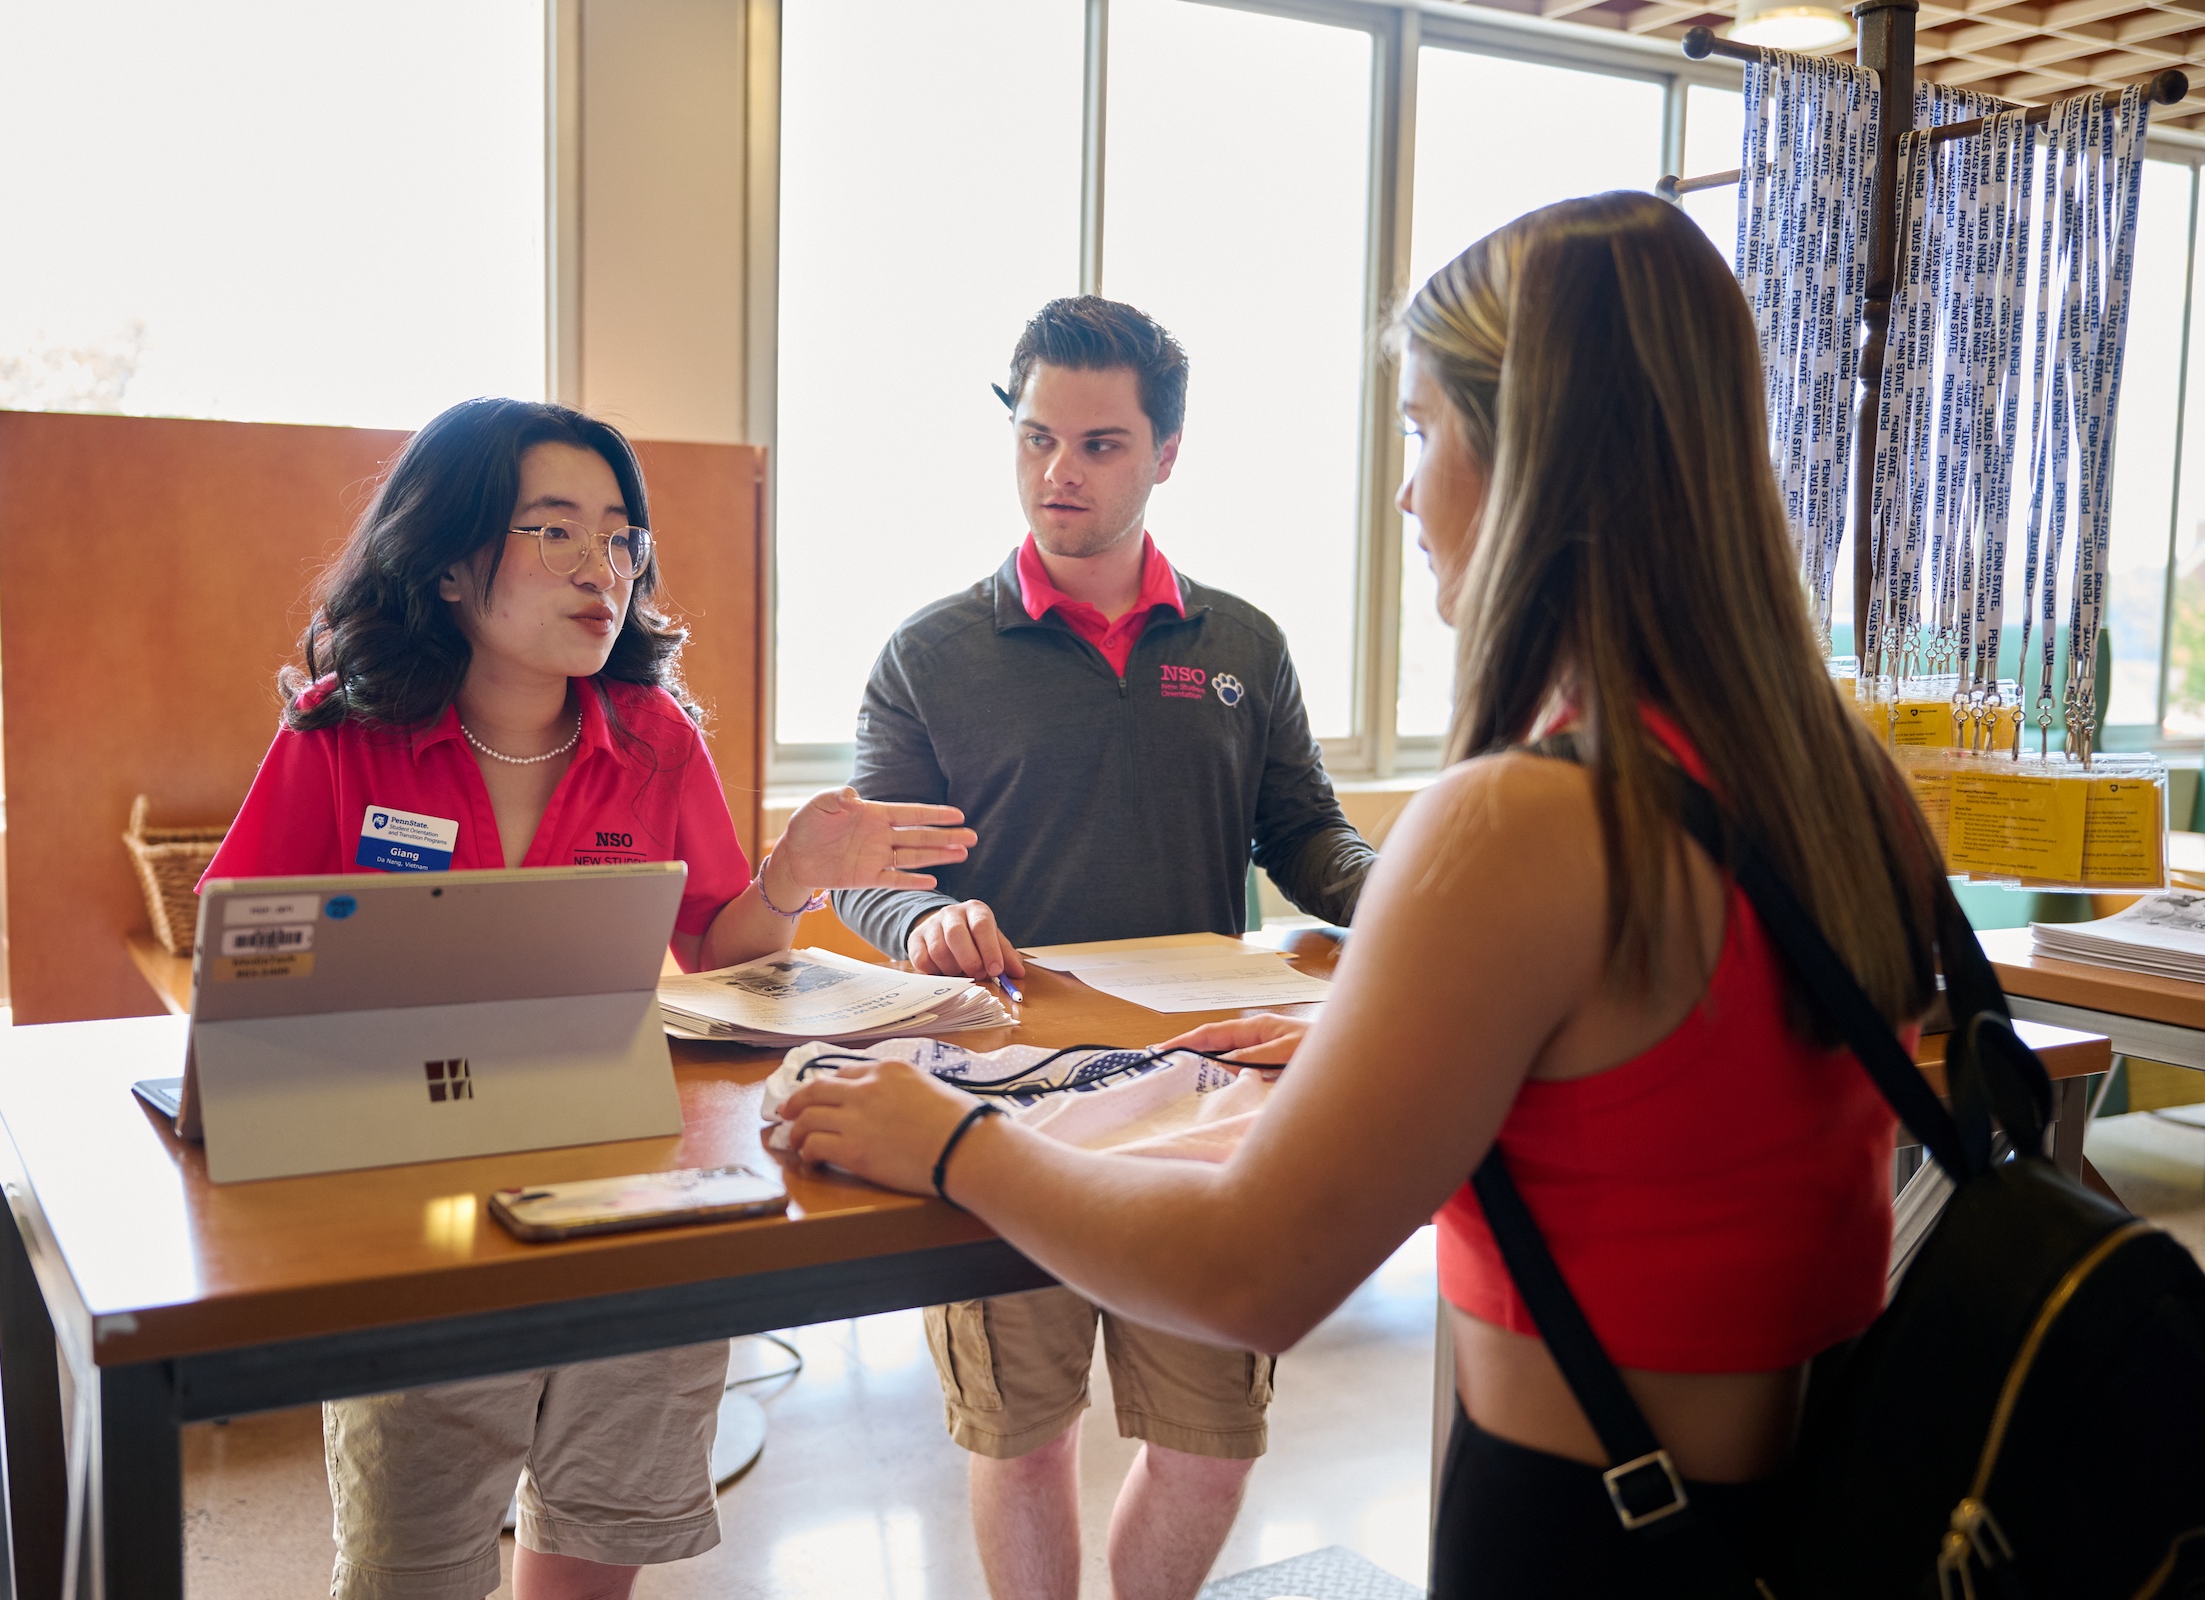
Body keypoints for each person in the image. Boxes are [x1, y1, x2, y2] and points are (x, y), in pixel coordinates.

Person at [782, 193, 1941, 1597]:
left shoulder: (1524, 820)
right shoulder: (1856, 785)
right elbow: (1648, 1096)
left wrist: (946, 1138)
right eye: (1037, 434)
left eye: (1420, 430)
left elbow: (1251, 1269)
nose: (1404, 492)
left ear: (1535, 452)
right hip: (1821, 1514)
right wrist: (1375, 1025)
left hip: (1587, 1530)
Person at [200, 398, 976, 1600]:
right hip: (417, 1211)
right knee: (412, 1565)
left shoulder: (656, 735)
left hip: (631, 1193)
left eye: (619, 538)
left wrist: (793, 879)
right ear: (452, 563)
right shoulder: (340, 739)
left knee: (597, 1550)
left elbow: (721, 954)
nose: (600, 569)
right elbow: (238, 970)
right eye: (553, 531)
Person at [834, 296, 1378, 1600]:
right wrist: (926, 919)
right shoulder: (928, 656)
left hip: (1199, 1099)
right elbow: (871, 879)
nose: (1057, 473)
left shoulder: (1242, 645)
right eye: (1035, 439)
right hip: (999, 1102)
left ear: (1167, 453)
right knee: (1023, 1442)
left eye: (1099, 445)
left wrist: (1405, 891)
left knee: (1210, 1448)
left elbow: (1307, 835)